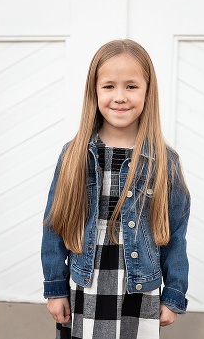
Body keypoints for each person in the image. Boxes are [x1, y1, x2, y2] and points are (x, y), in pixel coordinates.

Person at [41, 39, 190, 338]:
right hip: (85, 284)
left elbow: (176, 234)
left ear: (148, 92)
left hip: (140, 288)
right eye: (109, 86)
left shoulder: (164, 162)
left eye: (131, 86)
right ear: (94, 92)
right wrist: (55, 288)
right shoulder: (74, 156)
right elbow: (54, 225)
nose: (120, 97)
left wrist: (174, 293)